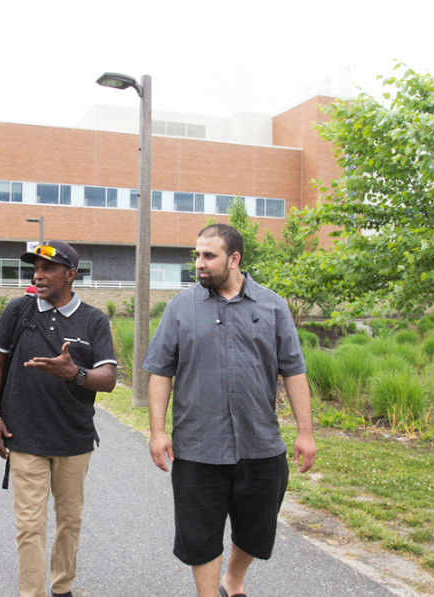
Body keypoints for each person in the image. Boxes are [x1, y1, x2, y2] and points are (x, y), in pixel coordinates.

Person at [142, 224, 316, 597]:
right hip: (198, 445)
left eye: (209, 256)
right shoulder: (180, 308)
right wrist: (158, 431)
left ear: (234, 259)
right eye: (197, 255)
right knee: (199, 535)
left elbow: (294, 370)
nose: (199, 264)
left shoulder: (272, 306)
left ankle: (232, 582)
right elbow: (160, 371)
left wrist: (306, 431)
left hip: (261, 444)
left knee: (258, 530)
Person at [0, 240, 117, 597]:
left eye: (48, 268)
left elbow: (108, 379)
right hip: (24, 436)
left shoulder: (93, 320)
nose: (37, 275)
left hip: (73, 439)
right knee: (29, 524)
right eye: (35, 268)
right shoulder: (19, 312)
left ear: (70, 274)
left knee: (69, 521)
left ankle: (62, 588)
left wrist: (75, 373)